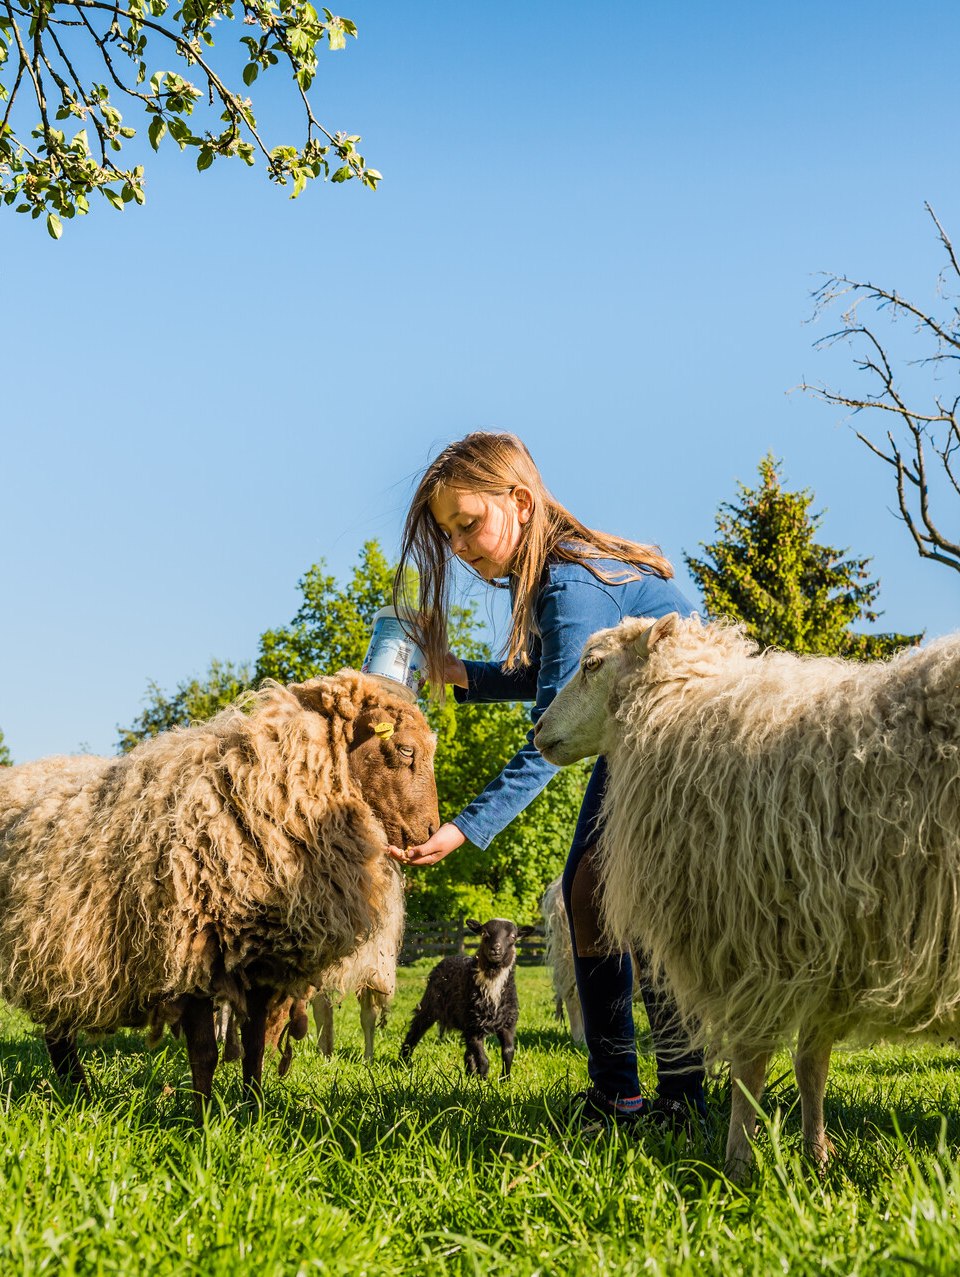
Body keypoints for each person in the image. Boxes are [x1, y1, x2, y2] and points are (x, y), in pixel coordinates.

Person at [387, 431, 706, 1131]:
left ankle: (655, 1095)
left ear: (521, 502)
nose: (460, 545)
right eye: (448, 533)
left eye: (468, 522)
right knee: (601, 891)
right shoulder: (553, 578)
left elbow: (551, 729)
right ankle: (648, 1094)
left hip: (675, 736)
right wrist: (466, 674)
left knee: (602, 891)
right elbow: (556, 674)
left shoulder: (568, 583)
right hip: (645, 731)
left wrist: (465, 826)